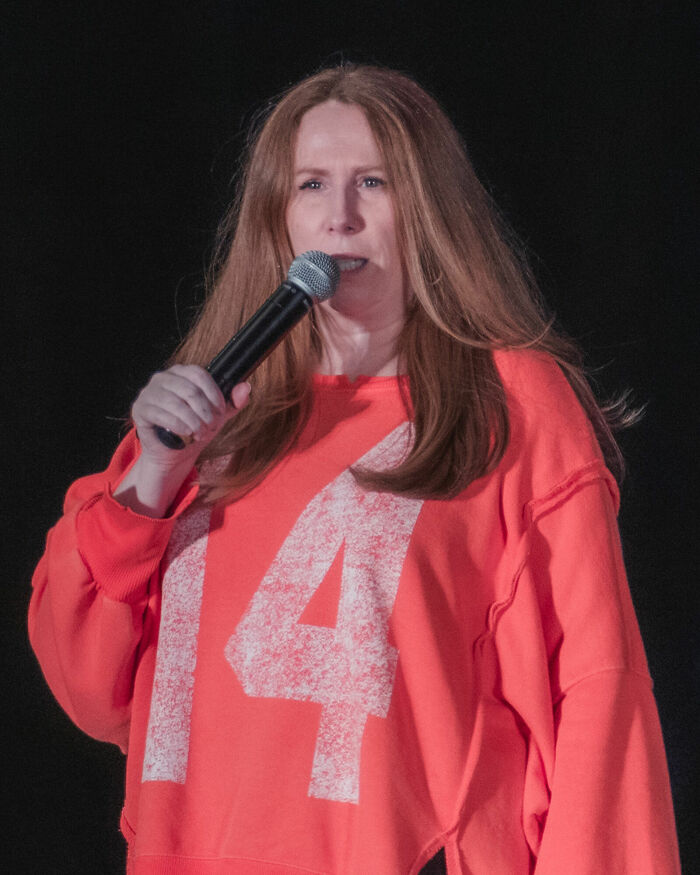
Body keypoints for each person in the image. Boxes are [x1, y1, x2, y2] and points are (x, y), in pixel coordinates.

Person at [29, 64, 680, 874]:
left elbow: (596, 694)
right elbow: (93, 694)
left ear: (427, 206)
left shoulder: (510, 403)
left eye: (373, 182)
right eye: (311, 185)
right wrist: (154, 478)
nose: (339, 217)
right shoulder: (204, 417)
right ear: (278, 217)